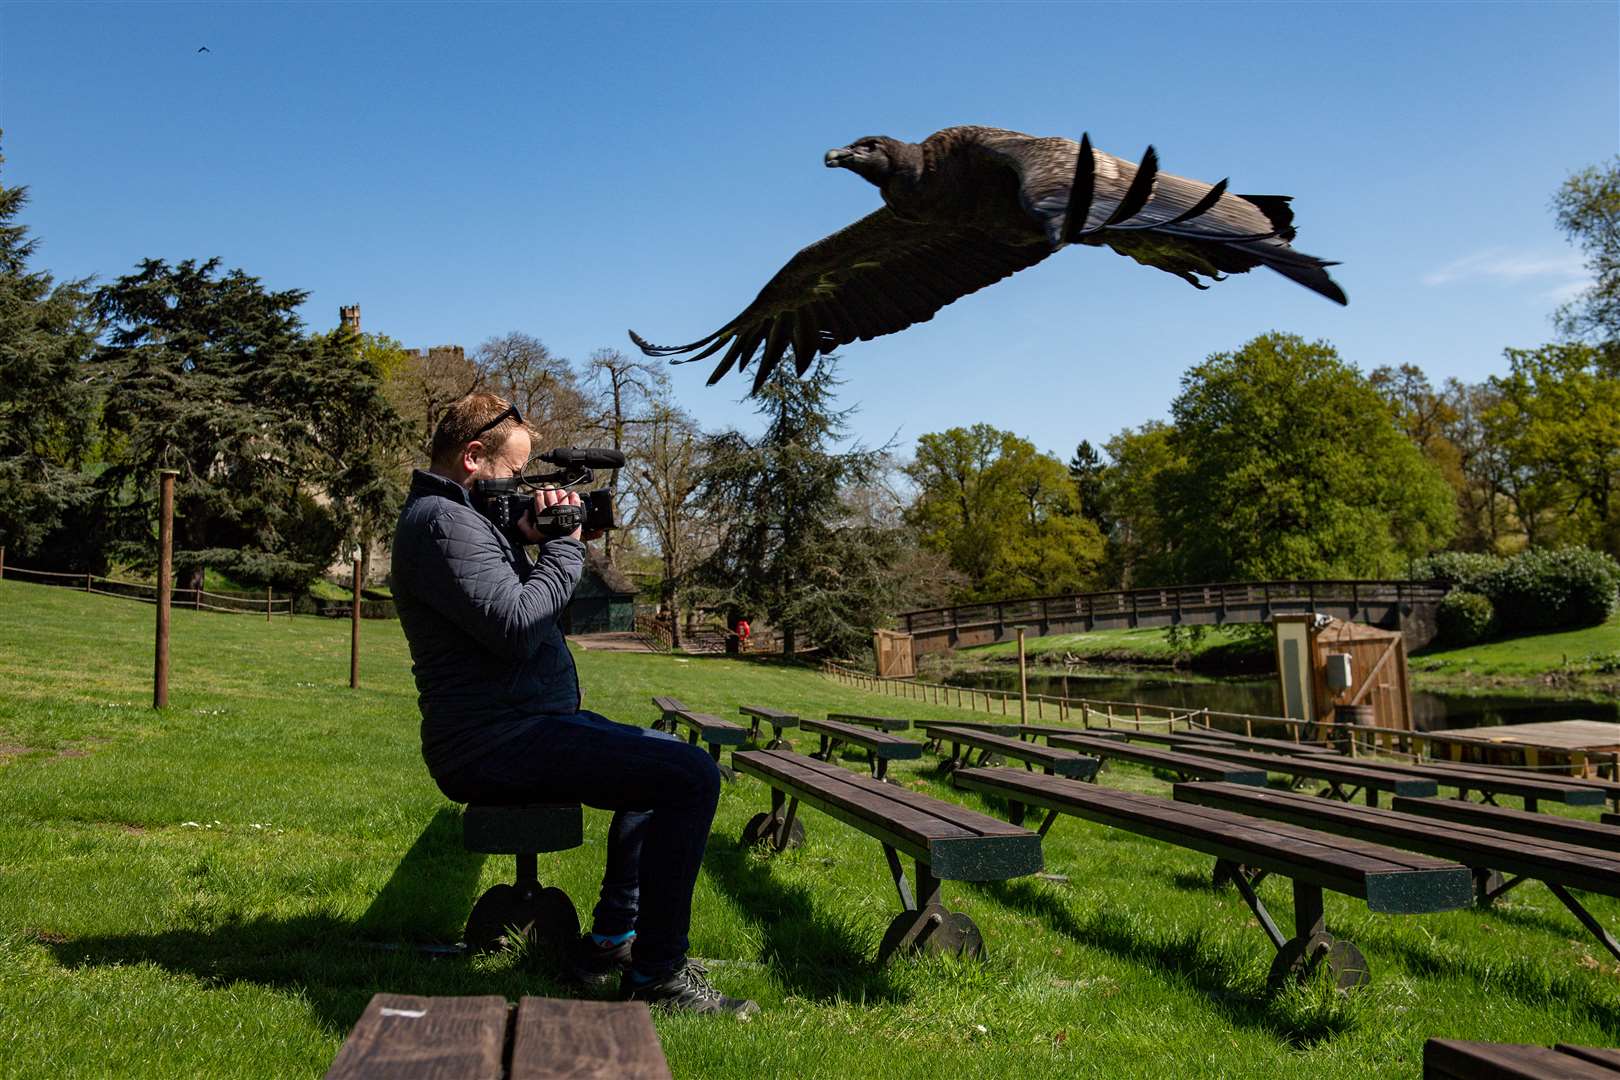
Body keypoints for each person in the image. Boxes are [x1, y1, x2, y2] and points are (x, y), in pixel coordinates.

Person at [390, 392, 757, 1018]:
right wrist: (564, 545)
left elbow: (503, 602)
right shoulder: (441, 521)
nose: (524, 487)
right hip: (493, 742)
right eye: (516, 472)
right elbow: (513, 623)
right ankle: (659, 975)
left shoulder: (460, 519)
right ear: (474, 458)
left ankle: (613, 941)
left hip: (520, 726)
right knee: (690, 777)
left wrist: (528, 536)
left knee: (662, 754)